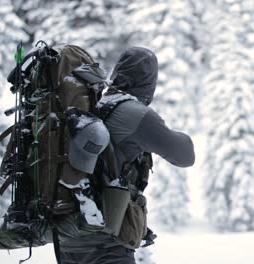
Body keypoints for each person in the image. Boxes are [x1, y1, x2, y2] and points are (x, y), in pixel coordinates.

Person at [54, 47, 195, 264]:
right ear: (149, 83)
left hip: (69, 240)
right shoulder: (134, 113)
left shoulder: (96, 104)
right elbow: (184, 156)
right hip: (105, 245)